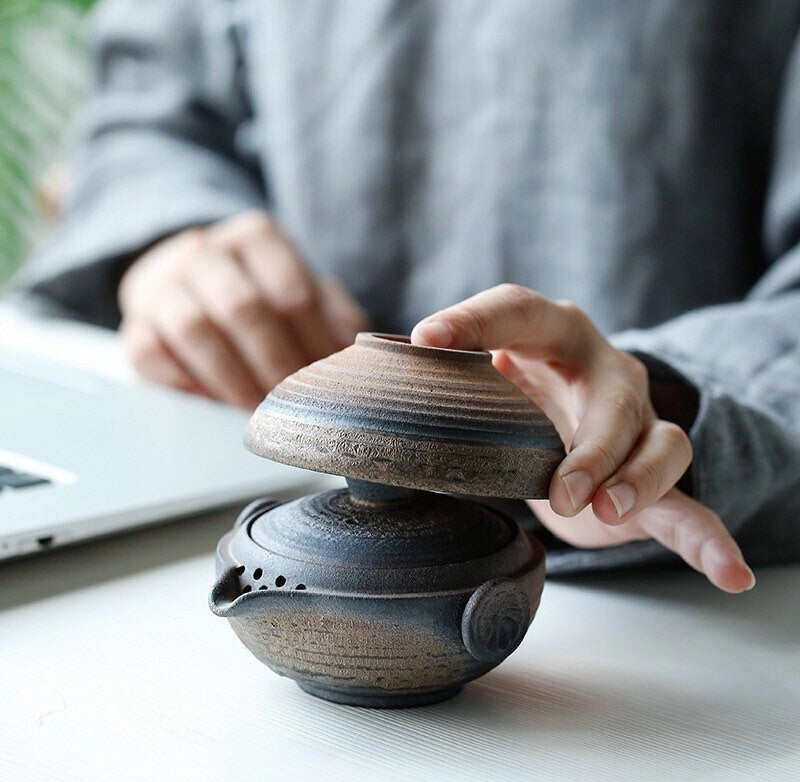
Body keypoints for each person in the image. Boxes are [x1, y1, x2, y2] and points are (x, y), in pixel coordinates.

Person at [20, 0, 800, 593]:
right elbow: (143, 115)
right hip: (246, 460)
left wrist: (664, 404)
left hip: (651, 584)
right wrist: (171, 235)